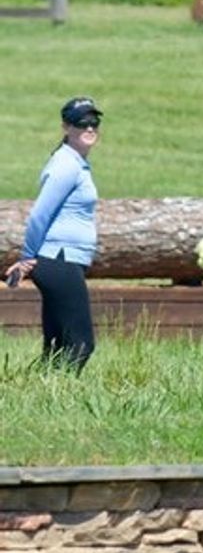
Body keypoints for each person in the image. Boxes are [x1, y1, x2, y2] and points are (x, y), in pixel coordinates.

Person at [5, 97, 103, 370]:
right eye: (81, 122)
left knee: (57, 345)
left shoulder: (74, 163)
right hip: (58, 259)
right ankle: (63, 399)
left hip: (63, 260)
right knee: (81, 344)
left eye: (94, 121)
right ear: (66, 127)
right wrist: (26, 258)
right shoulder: (66, 165)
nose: (90, 127)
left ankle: (37, 390)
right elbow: (39, 215)